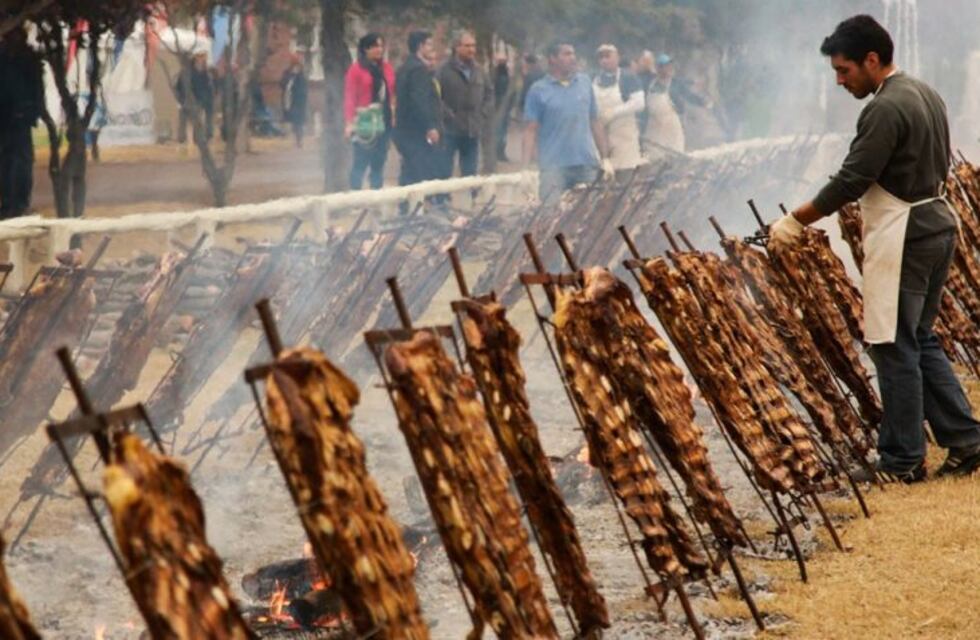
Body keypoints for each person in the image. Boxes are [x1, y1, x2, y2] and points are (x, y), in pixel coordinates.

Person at [770, 14, 980, 483]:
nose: (841, 81)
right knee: (918, 338)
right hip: (934, 224)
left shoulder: (885, 107)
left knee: (891, 343)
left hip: (907, 230)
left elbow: (853, 178)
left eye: (844, 71)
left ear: (871, 60)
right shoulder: (923, 91)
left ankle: (902, 461)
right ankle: (966, 441)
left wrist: (794, 221)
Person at [522, 40, 611, 203]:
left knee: (588, 216)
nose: (573, 58)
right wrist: (526, 168)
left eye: (573, 53)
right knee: (551, 216)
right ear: (552, 59)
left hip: (586, 164)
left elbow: (595, 121)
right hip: (553, 168)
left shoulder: (584, 83)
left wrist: (605, 158)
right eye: (567, 54)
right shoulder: (538, 90)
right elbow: (530, 130)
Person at [436, 30, 493, 178]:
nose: (471, 49)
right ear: (457, 47)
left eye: (473, 46)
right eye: (467, 45)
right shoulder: (443, 70)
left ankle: (471, 199)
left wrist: (482, 114)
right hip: (450, 130)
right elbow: (435, 97)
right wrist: (448, 115)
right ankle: (442, 199)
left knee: (470, 171)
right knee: (444, 169)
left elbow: (489, 94)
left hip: (472, 129)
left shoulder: (480, 71)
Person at [0, 26, 43, 219]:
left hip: (21, 118)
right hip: (5, 118)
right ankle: (9, 203)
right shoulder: (4, 56)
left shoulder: (29, 57)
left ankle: (19, 203)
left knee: (21, 162)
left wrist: (32, 113)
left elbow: (37, 88)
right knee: (7, 162)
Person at [344, 33, 395, 190]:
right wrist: (349, 122)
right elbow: (350, 96)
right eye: (374, 46)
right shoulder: (356, 69)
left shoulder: (386, 68)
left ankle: (376, 196)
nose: (379, 50)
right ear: (365, 49)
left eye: (381, 46)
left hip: (384, 119)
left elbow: (391, 91)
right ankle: (355, 197)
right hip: (365, 120)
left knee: (379, 162)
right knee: (361, 161)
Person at [393, 31, 442, 189]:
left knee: (409, 171)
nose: (431, 48)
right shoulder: (418, 70)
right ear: (420, 46)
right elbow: (420, 101)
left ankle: (406, 208)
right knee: (418, 173)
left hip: (403, 129)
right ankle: (414, 209)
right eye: (428, 44)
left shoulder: (404, 68)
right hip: (416, 131)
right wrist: (430, 126)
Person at [642, 53, 710, 156]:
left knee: (675, 154)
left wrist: (703, 102)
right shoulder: (650, 83)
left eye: (670, 66)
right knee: (653, 154)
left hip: (672, 127)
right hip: (654, 128)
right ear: (658, 68)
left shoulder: (676, 83)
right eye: (665, 66)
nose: (668, 69)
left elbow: (688, 95)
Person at [592, 44, 644, 176]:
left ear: (618, 57)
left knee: (625, 179)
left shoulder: (628, 78)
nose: (604, 60)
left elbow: (639, 103)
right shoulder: (594, 79)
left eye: (608, 56)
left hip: (624, 140)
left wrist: (614, 112)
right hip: (600, 139)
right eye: (601, 57)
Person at [175, 51, 214, 142]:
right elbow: (179, 87)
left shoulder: (205, 73)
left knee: (202, 117)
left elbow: (208, 88)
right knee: (185, 119)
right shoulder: (187, 72)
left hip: (201, 101)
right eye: (200, 57)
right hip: (188, 100)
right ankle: (182, 139)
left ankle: (202, 137)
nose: (203, 59)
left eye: (204, 57)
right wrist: (181, 100)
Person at [281, 54, 308, 148]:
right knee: (290, 121)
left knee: (298, 122)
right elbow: (283, 84)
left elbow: (303, 89)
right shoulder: (287, 73)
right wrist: (291, 75)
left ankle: (298, 140)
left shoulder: (301, 75)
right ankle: (292, 139)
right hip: (288, 100)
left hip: (298, 102)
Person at [492, 54, 511, 161]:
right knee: (500, 132)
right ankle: (498, 153)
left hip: (501, 108)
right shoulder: (499, 76)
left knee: (501, 132)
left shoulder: (498, 75)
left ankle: (499, 153)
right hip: (499, 108)